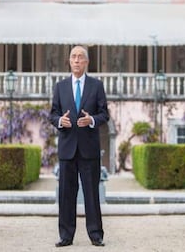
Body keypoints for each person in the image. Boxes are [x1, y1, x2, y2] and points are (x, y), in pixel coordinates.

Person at [49, 45, 109, 248]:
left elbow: (104, 114)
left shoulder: (96, 85)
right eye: (73, 57)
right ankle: (66, 236)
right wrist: (60, 121)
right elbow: (53, 114)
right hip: (67, 148)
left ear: (86, 62)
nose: (76, 60)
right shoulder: (60, 87)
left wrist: (91, 119)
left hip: (89, 149)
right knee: (66, 194)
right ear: (69, 61)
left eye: (80, 57)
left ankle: (96, 235)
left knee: (92, 193)